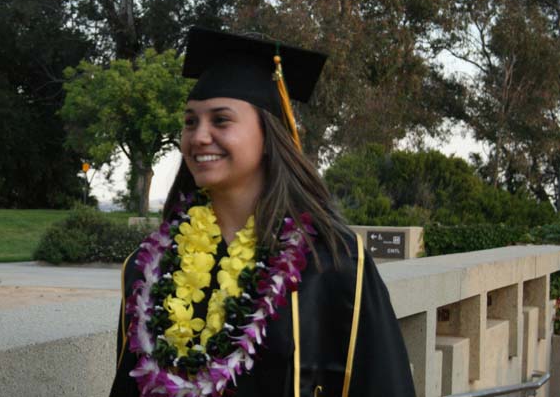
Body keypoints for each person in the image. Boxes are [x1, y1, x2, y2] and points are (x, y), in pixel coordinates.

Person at [109, 27, 416, 397]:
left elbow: (382, 384)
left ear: (269, 135)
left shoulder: (332, 263)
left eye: (220, 120)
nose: (199, 136)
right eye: (191, 121)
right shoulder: (149, 269)